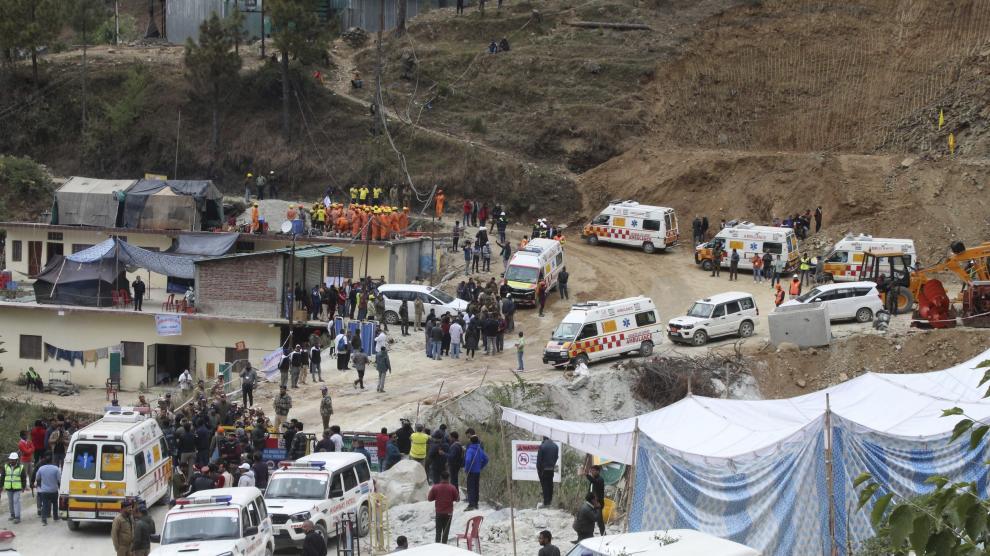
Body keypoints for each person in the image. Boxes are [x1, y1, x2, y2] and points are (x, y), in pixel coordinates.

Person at [428, 471, 460, 544]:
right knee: (446, 532)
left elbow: (429, 499)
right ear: (448, 478)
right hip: (449, 513)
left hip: (439, 512)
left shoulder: (435, 487)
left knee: (438, 532)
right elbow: (457, 499)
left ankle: (437, 547)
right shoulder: (452, 488)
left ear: (440, 478)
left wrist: (436, 497)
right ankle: (444, 547)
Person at [463, 435, 488, 510]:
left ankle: (471, 504)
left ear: (470, 441)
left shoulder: (470, 450)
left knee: (470, 487)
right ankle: (476, 503)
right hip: (477, 471)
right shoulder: (479, 449)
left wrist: (466, 469)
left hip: (471, 471)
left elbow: (467, 460)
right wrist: (481, 466)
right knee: (476, 487)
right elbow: (486, 459)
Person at [34, 456, 60, 525]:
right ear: (52, 461)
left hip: (44, 491)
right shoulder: (56, 468)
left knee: (44, 505)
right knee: (55, 504)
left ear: (45, 461)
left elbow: (37, 477)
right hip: (54, 490)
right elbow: (59, 479)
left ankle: (44, 520)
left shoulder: (41, 468)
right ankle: (55, 517)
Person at [536, 437, 559, 508]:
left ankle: (546, 503)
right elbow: (556, 457)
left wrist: (539, 469)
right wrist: (552, 465)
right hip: (551, 468)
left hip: (543, 469)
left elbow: (539, 460)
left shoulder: (542, 446)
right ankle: (549, 501)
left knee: (545, 485)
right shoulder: (555, 446)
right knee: (550, 484)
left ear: (543, 438)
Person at [586, 465, 606, 535]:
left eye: (593, 470)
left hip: (598, 503)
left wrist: (586, 475)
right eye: (591, 470)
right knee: (587, 519)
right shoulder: (593, 479)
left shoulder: (600, 479)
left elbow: (594, 481)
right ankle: (584, 536)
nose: (592, 472)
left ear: (598, 471)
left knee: (599, 521)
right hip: (590, 502)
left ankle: (604, 536)